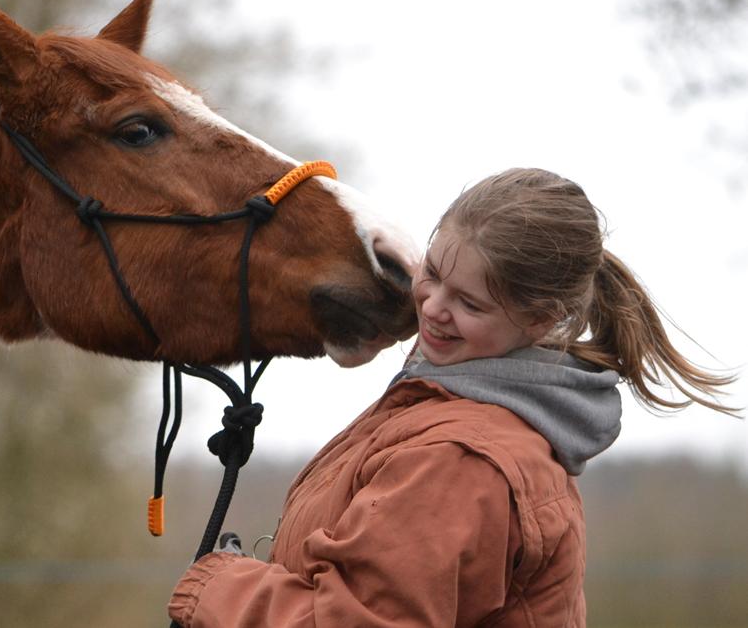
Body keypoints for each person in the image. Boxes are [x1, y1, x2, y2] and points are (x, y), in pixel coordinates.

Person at [168, 167, 737, 628]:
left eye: (470, 303)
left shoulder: (462, 459)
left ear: (538, 321)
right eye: (434, 274)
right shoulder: (457, 406)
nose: (434, 307)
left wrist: (217, 587)